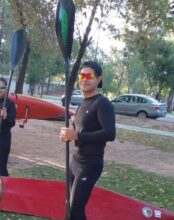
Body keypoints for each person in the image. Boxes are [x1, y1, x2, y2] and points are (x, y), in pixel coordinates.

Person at [59, 61, 116, 220]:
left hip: (90, 164)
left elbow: (110, 133)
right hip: (76, 161)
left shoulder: (102, 103)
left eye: (89, 75)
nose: (84, 79)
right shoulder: (83, 103)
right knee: (70, 207)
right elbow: (78, 130)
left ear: (98, 80)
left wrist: (77, 136)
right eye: (82, 75)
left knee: (75, 209)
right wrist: (68, 134)